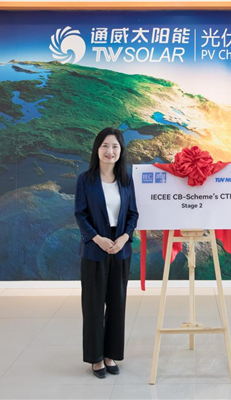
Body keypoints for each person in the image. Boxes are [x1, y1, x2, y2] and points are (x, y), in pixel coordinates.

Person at [74, 127, 139, 379]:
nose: (110, 151)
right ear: (97, 149)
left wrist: (124, 238)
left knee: (117, 304)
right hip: (94, 248)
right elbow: (81, 214)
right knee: (92, 305)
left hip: (121, 249)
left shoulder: (126, 180)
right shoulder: (85, 180)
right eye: (105, 146)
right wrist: (97, 239)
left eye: (115, 146)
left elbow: (133, 214)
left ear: (120, 151)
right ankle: (96, 358)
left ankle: (111, 354)